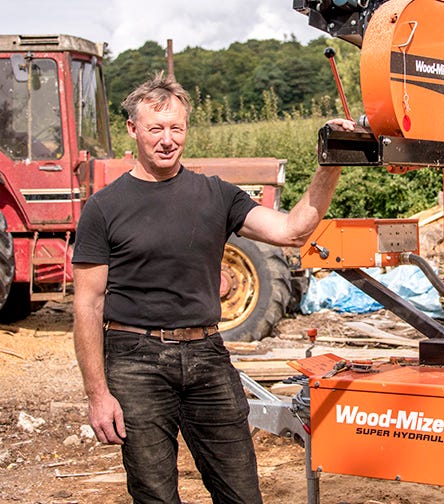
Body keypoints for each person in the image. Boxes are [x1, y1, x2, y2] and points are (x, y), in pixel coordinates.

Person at [72, 72, 353, 503]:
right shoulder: (104, 207)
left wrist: (330, 163)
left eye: (176, 128)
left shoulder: (215, 194)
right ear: (133, 129)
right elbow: (88, 306)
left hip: (207, 356)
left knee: (241, 493)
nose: (167, 140)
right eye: (155, 129)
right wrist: (98, 395)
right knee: (155, 495)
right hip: (135, 363)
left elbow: (293, 230)